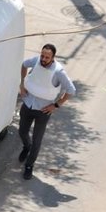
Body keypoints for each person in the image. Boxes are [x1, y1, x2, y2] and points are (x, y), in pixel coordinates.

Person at [18, 43, 76, 179]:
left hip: (43, 111)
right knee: (22, 131)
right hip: (28, 104)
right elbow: (24, 65)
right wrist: (22, 84)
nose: (43, 59)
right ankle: (26, 146)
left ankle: (29, 165)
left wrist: (56, 105)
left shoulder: (58, 72)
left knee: (37, 140)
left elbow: (71, 90)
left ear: (53, 58)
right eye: (42, 56)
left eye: (47, 57)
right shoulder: (36, 60)